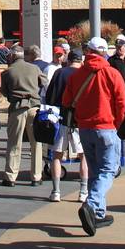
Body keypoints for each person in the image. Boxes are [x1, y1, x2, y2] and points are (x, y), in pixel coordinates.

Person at [62, 36, 125, 236]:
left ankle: (98, 213)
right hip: (107, 127)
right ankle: (91, 205)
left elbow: (66, 100)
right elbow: (122, 103)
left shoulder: (76, 75)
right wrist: (119, 127)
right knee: (108, 170)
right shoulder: (112, 73)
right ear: (103, 52)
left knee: (95, 171)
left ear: (88, 51)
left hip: (85, 128)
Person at [44, 47, 89, 203]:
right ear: (81, 60)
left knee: (56, 155)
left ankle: (56, 191)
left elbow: (50, 98)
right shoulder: (86, 74)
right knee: (84, 156)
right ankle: (83, 191)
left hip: (62, 118)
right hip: (81, 119)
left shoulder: (60, 73)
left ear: (68, 59)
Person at [0, 45, 48, 187]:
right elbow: (44, 82)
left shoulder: (8, 72)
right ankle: (36, 176)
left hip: (17, 108)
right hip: (34, 107)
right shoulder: (34, 68)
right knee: (36, 143)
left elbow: (4, 91)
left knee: (14, 143)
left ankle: (11, 176)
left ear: (13, 56)